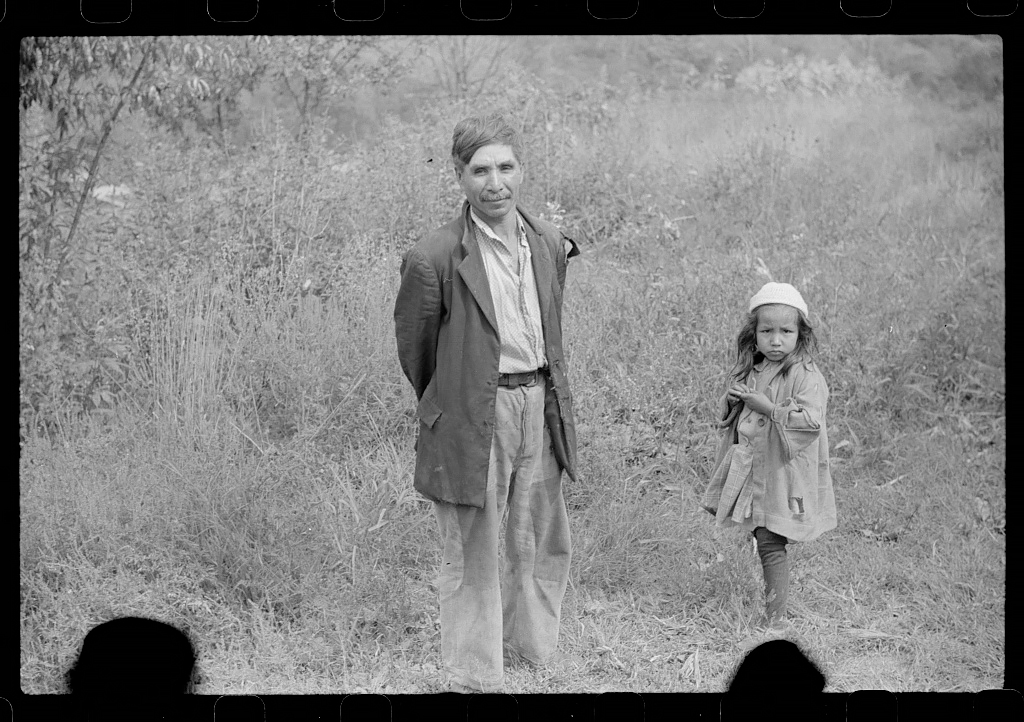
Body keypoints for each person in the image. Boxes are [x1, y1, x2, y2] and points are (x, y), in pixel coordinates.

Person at [394, 113, 580, 692]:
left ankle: (531, 650)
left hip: (537, 403)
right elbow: (418, 352)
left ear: (521, 169)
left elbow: (550, 325)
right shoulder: (434, 257)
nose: (495, 183)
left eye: (505, 167)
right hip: (474, 411)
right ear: (459, 176)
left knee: (538, 534)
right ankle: (475, 672)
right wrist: (463, 393)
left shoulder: (547, 241)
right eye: (480, 170)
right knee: (473, 543)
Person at [702, 282, 837, 628]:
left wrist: (770, 408)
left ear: (800, 335)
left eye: (786, 331)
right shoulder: (754, 369)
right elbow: (731, 419)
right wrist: (733, 402)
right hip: (756, 469)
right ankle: (775, 612)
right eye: (767, 331)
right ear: (754, 334)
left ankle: (776, 620)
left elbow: (810, 423)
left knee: (770, 541)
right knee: (762, 533)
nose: (776, 341)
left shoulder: (805, 376)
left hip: (783, 471)